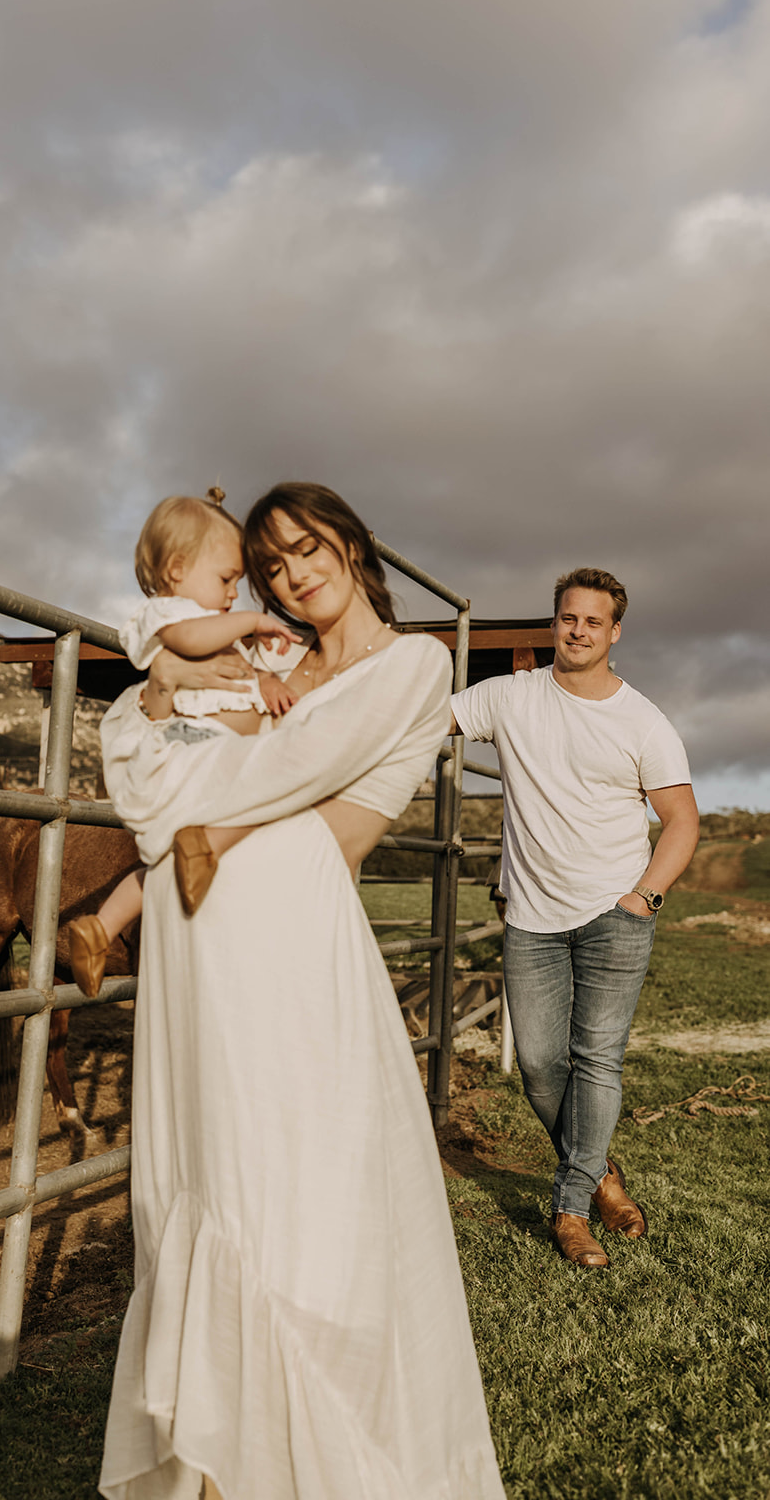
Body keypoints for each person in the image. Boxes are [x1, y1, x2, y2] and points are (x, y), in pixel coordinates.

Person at [97, 483, 507, 1500]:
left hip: (285, 914)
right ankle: (212, 1454)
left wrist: (186, 766)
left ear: (351, 544)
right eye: (269, 565)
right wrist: (165, 709)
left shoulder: (411, 663)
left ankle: (302, 1442)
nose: (289, 575)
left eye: (303, 549)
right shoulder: (267, 658)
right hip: (199, 919)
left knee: (294, 1177)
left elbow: (291, 765)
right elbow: (132, 748)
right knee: (203, 1162)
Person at [450, 567, 699, 1269]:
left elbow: (681, 820)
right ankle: (601, 1175)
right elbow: (423, 719)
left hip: (613, 913)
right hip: (530, 916)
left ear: (613, 632)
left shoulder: (641, 719)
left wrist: (643, 897)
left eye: (593, 621)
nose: (578, 630)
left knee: (595, 1059)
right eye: (567, 618)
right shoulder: (507, 698)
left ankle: (569, 1208)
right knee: (537, 1065)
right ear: (553, 622)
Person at [68, 490, 302, 997]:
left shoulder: (219, 628)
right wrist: (255, 621)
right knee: (270, 796)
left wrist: (267, 683)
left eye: (238, 583)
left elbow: (244, 675)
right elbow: (191, 643)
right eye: (226, 579)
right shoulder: (170, 616)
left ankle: (100, 929)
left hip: (212, 752)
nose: (234, 594)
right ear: (176, 570)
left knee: (164, 866)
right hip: (193, 747)